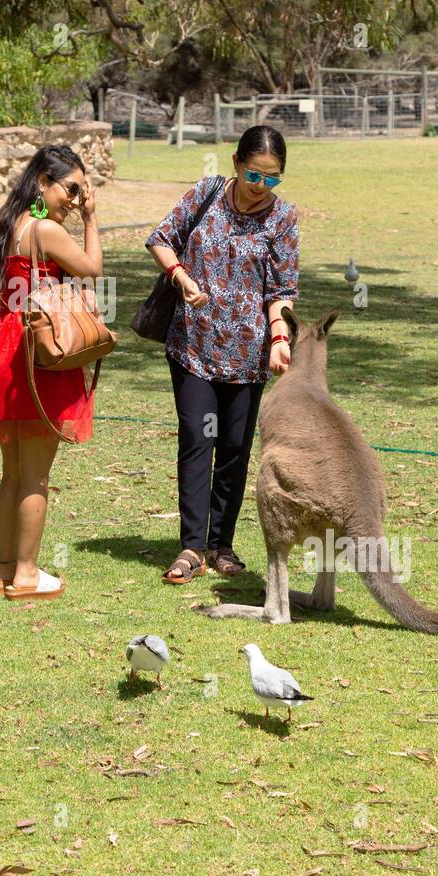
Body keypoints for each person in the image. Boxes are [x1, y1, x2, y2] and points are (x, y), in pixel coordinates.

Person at [145, 125, 299, 585]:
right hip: (193, 344)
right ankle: (191, 546)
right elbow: (160, 237)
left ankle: (222, 544)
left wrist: (279, 337)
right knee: (197, 438)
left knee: (234, 449)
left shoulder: (284, 218)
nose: (262, 186)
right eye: (255, 175)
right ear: (236, 162)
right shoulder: (207, 192)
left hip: (249, 356)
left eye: (273, 179)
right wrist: (180, 277)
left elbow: (282, 288)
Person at [0, 145, 102, 601]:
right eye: (71, 188)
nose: (76, 199)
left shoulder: (12, 224)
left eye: (82, 192)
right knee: (35, 477)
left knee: (13, 474)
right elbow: (93, 269)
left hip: (2, 347)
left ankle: (2, 569)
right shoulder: (48, 230)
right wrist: (92, 220)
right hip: (37, 354)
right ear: (43, 183)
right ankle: (27, 574)